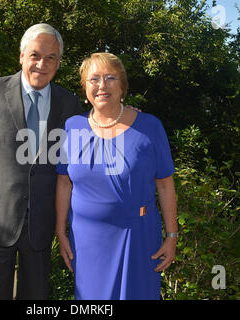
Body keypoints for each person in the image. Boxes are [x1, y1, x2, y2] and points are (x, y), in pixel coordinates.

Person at [0, 23, 82, 300]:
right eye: (35, 55)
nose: (42, 63)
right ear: (22, 56)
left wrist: (123, 114)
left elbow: (86, 143)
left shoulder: (69, 103)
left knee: (36, 292)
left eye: (51, 57)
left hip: (43, 213)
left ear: (59, 63)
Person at [55, 52, 178, 300]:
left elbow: (165, 185)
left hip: (137, 239)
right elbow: (64, 182)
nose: (102, 85)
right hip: (87, 242)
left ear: (122, 86)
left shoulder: (149, 126)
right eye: (94, 79)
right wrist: (60, 231)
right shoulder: (72, 127)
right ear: (84, 89)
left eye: (110, 78)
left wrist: (172, 236)